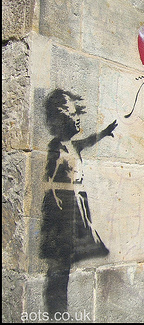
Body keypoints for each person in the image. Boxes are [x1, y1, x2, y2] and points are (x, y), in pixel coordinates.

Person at [40, 89, 117, 315]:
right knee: (61, 263)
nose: (78, 119)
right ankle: (57, 309)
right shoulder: (57, 147)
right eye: (74, 114)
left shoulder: (73, 145)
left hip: (77, 206)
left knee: (67, 261)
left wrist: (104, 133)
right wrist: (59, 205)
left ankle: (59, 307)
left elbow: (88, 141)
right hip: (67, 209)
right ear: (61, 118)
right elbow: (49, 181)